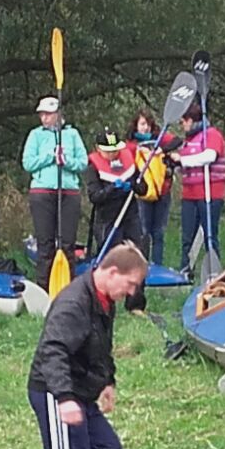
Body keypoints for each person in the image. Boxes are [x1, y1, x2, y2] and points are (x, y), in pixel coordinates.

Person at [8, 242, 148, 449]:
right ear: (112, 273)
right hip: (54, 391)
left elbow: (101, 346)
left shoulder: (103, 299)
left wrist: (107, 381)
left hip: (81, 391)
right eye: (130, 285)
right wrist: (65, 398)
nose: (130, 292)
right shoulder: (73, 304)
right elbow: (51, 352)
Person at [21, 96, 89, 287]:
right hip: (42, 193)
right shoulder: (35, 135)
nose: (44, 118)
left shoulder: (73, 134)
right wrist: (50, 156)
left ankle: (68, 287)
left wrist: (65, 160)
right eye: (42, 114)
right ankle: (44, 287)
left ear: (58, 114)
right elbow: (28, 163)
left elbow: (83, 162)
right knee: (45, 243)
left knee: (68, 243)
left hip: (68, 193)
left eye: (48, 114)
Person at [85, 128, 148, 312]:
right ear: (98, 149)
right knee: (109, 261)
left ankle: (136, 304)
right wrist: (113, 188)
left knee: (138, 255)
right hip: (107, 219)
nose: (112, 154)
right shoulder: (92, 168)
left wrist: (135, 185)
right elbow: (95, 197)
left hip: (130, 215)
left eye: (114, 150)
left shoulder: (128, 162)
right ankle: (105, 303)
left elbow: (143, 188)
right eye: (107, 150)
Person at [171, 102, 225, 274]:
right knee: (188, 236)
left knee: (210, 235)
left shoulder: (211, 135)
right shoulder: (188, 141)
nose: (182, 126)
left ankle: (214, 271)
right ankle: (186, 269)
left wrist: (182, 160)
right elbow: (187, 165)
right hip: (190, 194)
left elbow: (209, 156)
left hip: (210, 193)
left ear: (191, 120)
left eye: (183, 122)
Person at [128, 109, 177, 267]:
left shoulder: (159, 139)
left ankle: (157, 264)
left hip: (162, 191)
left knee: (159, 231)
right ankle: (142, 264)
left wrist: (161, 150)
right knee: (143, 231)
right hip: (143, 194)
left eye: (148, 124)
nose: (146, 128)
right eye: (142, 124)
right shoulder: (131, 145)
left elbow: (177, 141)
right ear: (136, 125)